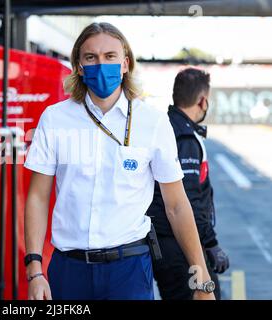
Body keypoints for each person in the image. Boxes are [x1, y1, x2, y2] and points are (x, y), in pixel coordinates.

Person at [23, 22, 216, 300]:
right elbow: (38, 198)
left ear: (125, 64)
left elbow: (176, 205)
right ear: (78, 66)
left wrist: (201, 276)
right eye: (91, 57)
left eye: (110, 57)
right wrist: (35, 270)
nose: (101, 64)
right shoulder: (54, 119)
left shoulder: (153, 122)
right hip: (68, 269)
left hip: (129, 269)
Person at [147, 68, 229, 300]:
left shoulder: (167, 127)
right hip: (177, 244)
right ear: (203, 101)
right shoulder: (184, 138)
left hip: (165, 241)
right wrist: (211, 243)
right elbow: (189, 200)